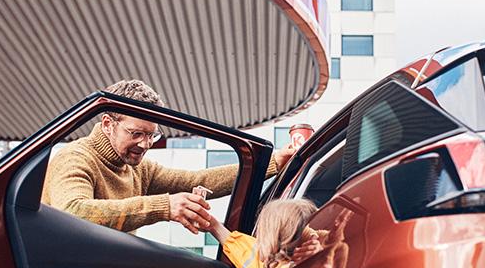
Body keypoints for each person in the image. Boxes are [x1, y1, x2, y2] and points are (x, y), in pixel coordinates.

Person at [41, 80, 295, 233]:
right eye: (136, 133)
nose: (145, 144)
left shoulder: (137, 168)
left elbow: (197, 180)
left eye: (152, 135)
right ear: (108, 123)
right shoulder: (75, 158)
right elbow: (73, 211)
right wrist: (165, 207)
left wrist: (273, 163)